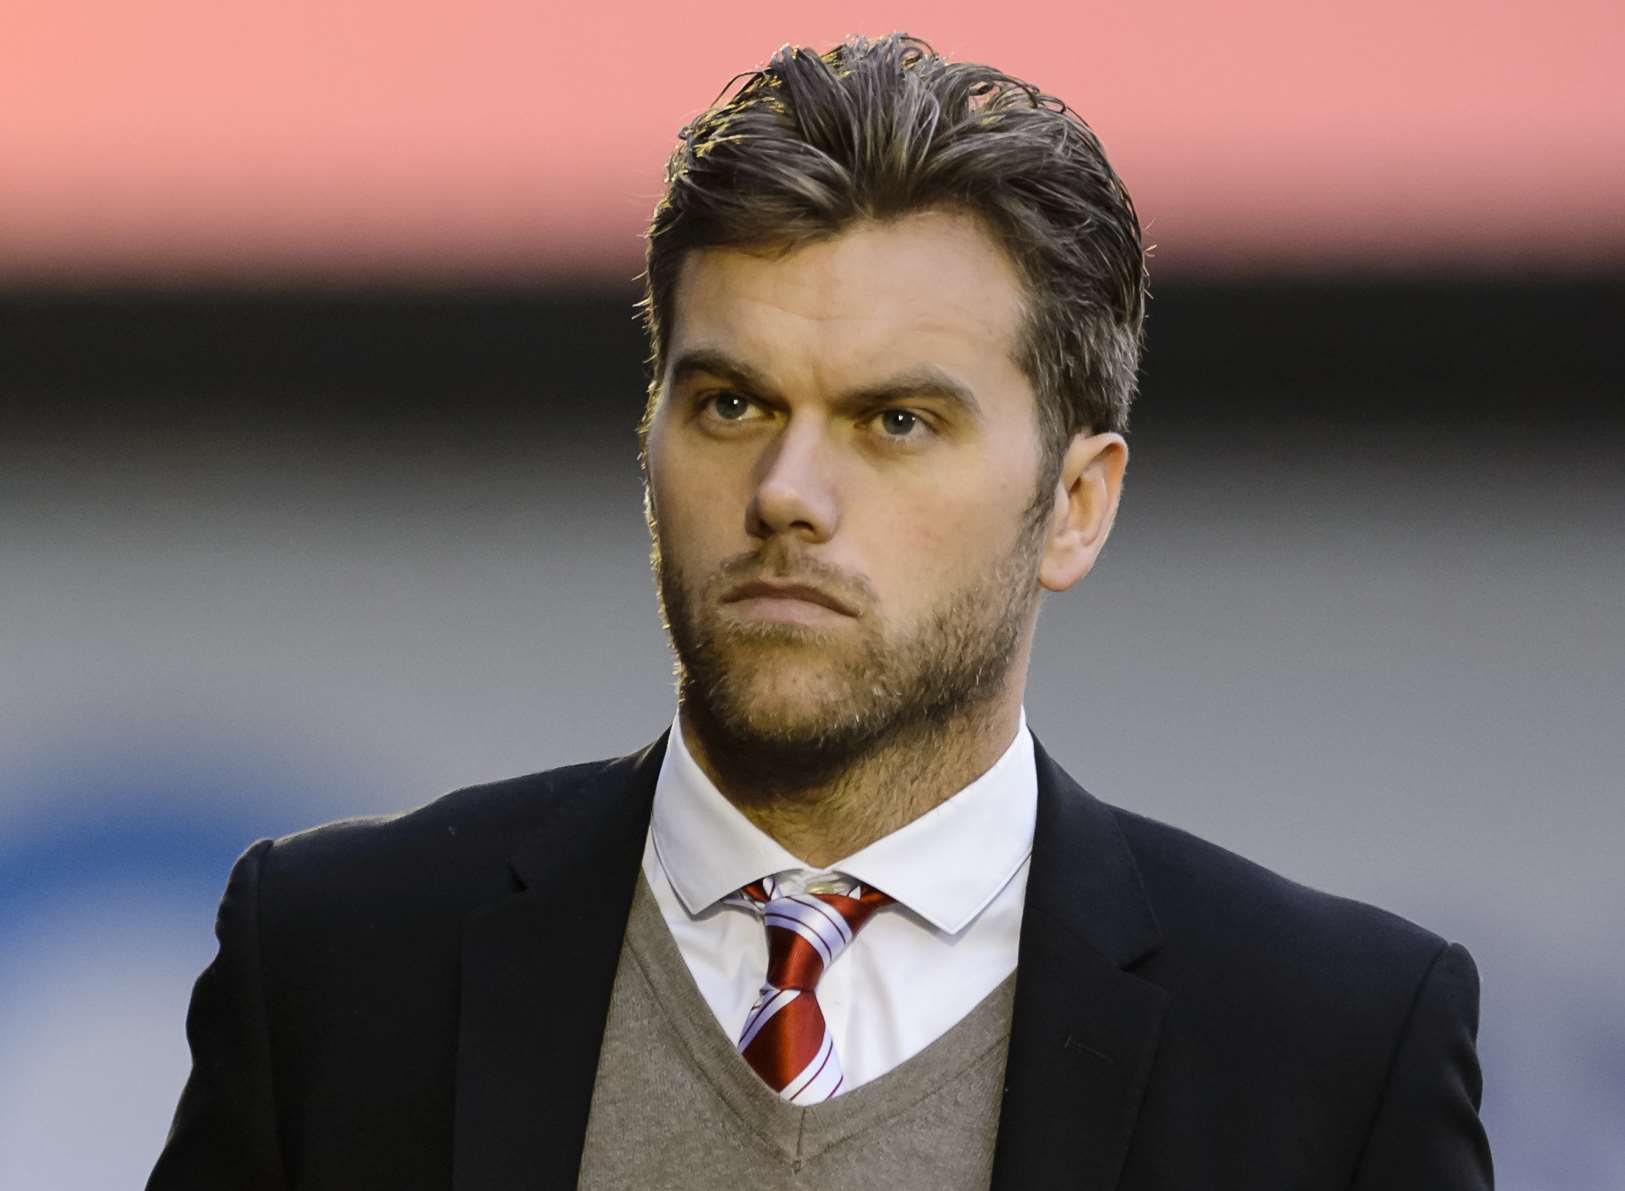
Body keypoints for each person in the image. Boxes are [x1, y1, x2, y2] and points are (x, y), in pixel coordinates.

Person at [146, 33, 1492, 1190]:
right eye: (731, 404)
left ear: (1075, 504)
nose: (787, 493)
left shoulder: (1328, 1045)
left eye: (894, 421)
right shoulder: (338, 962)